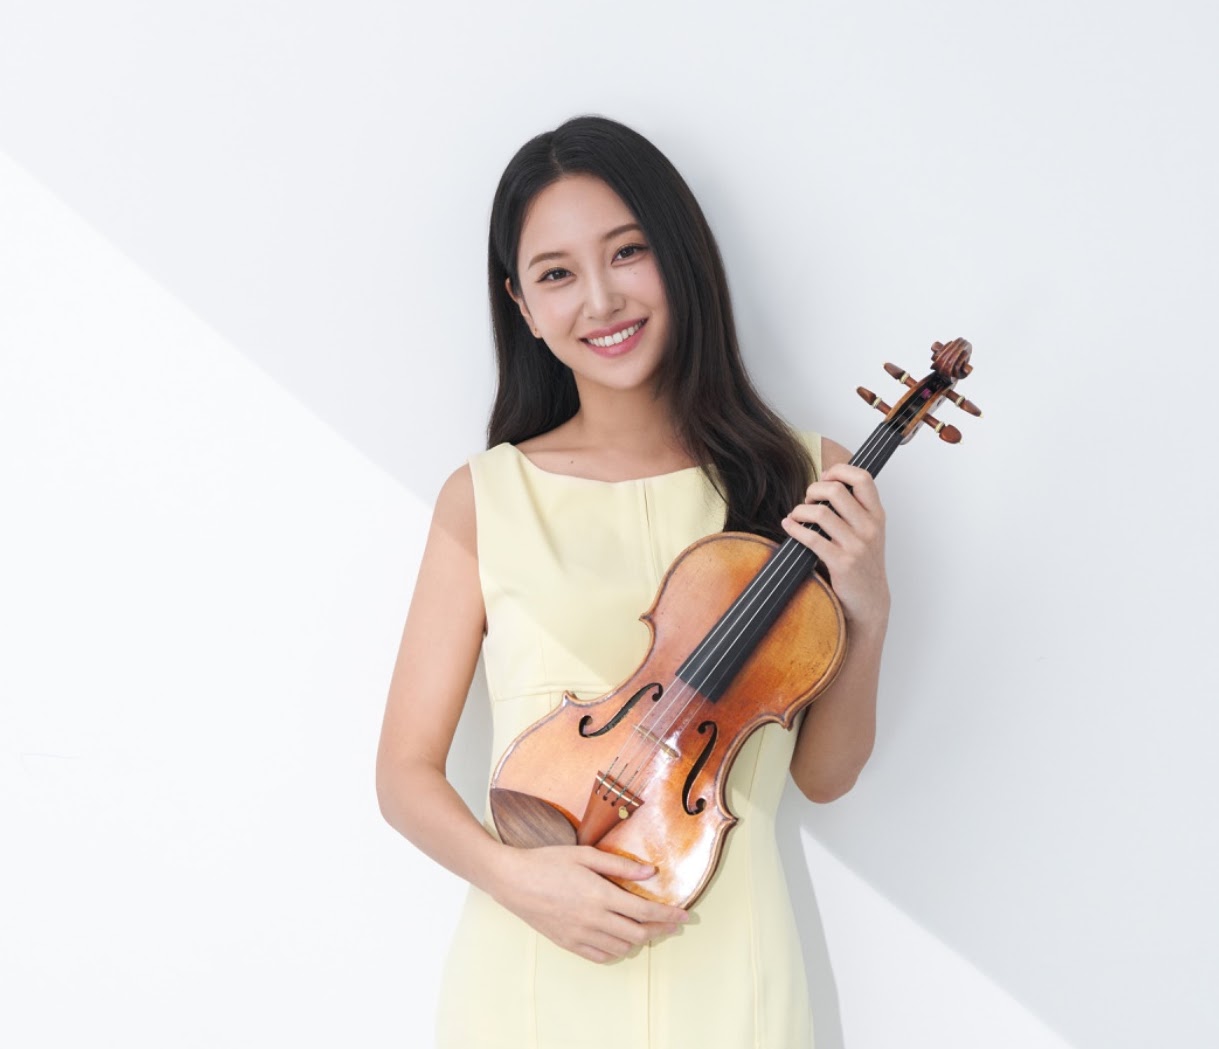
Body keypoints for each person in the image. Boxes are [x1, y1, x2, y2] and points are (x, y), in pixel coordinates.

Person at [376, 115, 891, 1049]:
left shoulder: (808, 477)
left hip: (731, 972)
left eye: (628, 251)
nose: (601, 298)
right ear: (522, 305)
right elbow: (403, 772)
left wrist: (867, 604)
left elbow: (824, 777)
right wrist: (515, 879)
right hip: (531, 970)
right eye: (556, 274)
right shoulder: (486, 497)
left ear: (680, 256)